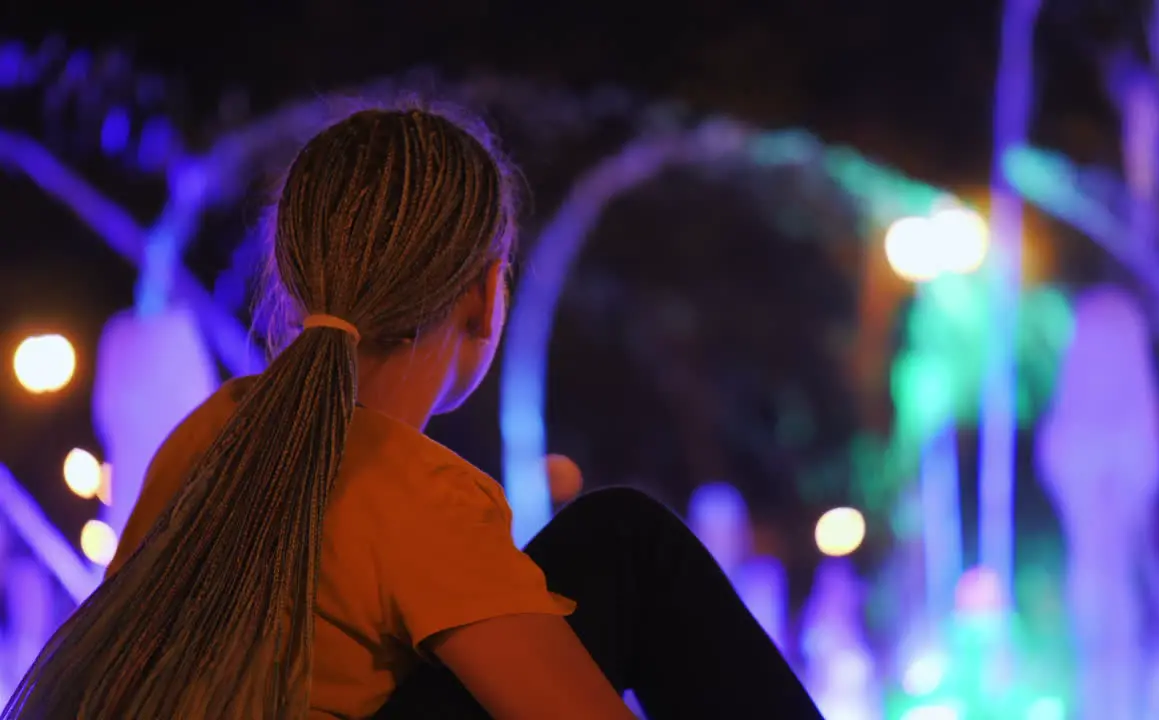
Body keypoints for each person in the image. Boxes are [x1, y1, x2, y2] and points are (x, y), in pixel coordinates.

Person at [3, 105, 822, 719]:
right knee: (625, 544)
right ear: (484, 295)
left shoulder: (209, 431)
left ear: (295, 281)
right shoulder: (419, 492)